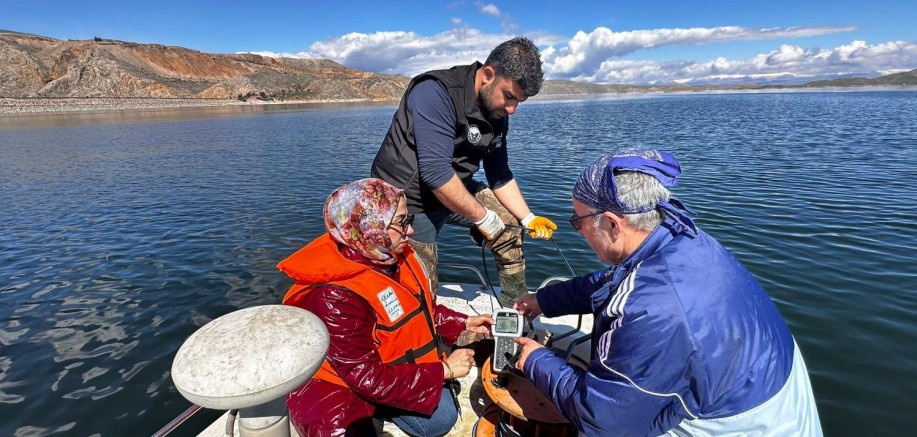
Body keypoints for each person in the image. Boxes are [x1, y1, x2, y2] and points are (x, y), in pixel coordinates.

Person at [512, 150, 823, 436]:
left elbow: (602, 420)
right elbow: (613, 282)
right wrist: (542, 301)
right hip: (773, 389)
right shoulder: (680, 237)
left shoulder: (651, 310)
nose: (578, 232)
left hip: (747, 425)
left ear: (612, 224)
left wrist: (535, 359)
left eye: (578, 222)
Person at [278, 178, 494, 437]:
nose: (411, 231)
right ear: (370, 227)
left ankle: (386, 403)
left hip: (387, 363)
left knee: (441, 416)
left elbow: (417, 309)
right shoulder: (334, 296)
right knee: (436, 420)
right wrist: (444, 371)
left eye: (408, 219)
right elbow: (363, 374)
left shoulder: (391, 255)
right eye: (401, 223)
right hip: (344, 380)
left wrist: (463, 322)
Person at [371, 36, 557, 308]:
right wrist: (482, 219)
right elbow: (435, 174)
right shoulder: (435, 92)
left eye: (519, 102)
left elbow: (499, 173)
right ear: (489, 75)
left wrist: (528, 217)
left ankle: (515, 311)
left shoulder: (497, 111)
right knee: (420, 288)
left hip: (454, 184)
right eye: (509, 97)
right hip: (409, 198)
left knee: (510, 225)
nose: (512, 110)